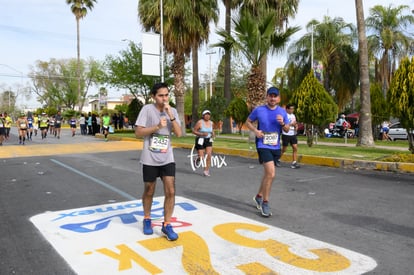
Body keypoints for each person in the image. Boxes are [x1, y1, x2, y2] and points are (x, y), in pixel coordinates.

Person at [134, 82, 182, 241]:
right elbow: (138, 132)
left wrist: (171, 116)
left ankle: (167, 224)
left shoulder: (172, 111)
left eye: (167, 95)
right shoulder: (147, 110)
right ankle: (147, 219)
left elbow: (179, 133)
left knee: (171, 191)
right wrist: (156, 127)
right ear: (153, 96)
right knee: (149, 190)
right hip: (149, 157)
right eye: (161, 95)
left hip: (167, 157)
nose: (164, 98)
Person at [245, 87, 289, 217]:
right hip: (262, 144)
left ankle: (258, 196)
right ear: (267, 97)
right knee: (271, 173)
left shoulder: (282, 112)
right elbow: (248, 122)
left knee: (268, 175)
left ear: (279, 98)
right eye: (270, 96)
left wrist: (282, 124)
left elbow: (286, 129)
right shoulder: (259, 110)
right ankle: (265, 202)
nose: (273, 98)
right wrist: (256, 131)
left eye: (275, 96)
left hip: (275, 146)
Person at [192, 109, 215, 176]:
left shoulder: (211, 123)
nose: (207, 116)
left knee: (209, 155)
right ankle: (198, 159)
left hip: (208, 140)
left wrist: (213, 134)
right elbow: (194, 131)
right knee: (202, 157)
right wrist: (201, 134)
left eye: (208, 114)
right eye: (206, 114)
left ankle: (206, 170)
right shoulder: (200, 122)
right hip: (200, 140)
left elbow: (212, 130)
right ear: (203, 115)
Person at [280, 104, 300, 169]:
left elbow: (295, 123)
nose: (292, 110)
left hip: (293, 134)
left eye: (293, 109)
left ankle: (294, 162)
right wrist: (291, 124)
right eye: (291, 109)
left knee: (295, 147)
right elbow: (284, 125)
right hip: (286, 134)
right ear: (287, 109)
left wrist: (296, 126)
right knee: (284, 149)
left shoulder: (293, 115)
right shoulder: (284, 115)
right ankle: (276, 158)